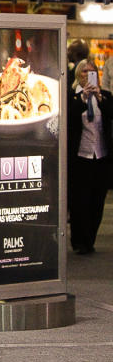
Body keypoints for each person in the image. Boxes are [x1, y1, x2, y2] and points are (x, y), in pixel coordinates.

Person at [68, 59, 112, 255]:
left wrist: (100, 98)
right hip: (81, 156)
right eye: (84, 72)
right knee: (80, 200)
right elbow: (69, 118)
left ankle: (90, 238)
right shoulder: (73, 96)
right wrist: (83, 100)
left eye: (91, 72)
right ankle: (79, 241)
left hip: (101, 155)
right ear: (78, 75)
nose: (87, 75)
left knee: (97, 199)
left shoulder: (106, 96)